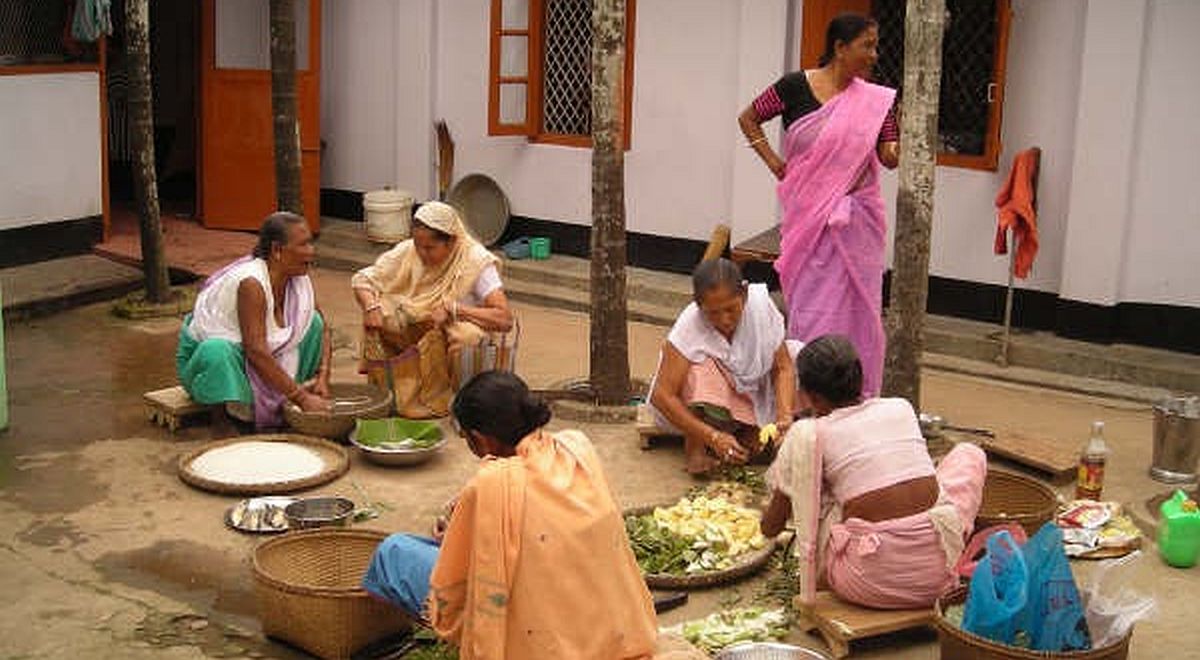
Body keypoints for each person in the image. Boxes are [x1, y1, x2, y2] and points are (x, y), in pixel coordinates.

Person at [362, 371, 660, 659]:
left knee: (393, 552)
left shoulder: (491, 483)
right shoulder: (577, 447)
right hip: (611, 634)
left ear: (481, 439)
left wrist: (453, 533)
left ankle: (381, 640)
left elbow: (459, 578)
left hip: (535, 639)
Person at [738, 13, 899, 397]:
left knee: (860, 310)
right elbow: (749, 118)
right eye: (867, 45)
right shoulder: (794, 87)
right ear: (840, 48)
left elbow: (889, 156)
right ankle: (807, 395)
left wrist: (896, 136)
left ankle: (855, 396)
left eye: (875, 46)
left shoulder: (875, 102)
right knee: (810, 310)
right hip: (808, 222)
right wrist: (775, 164)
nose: (874, 55)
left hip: (857, 224)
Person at [760, 336, 986, 609]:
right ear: (860, 378)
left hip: (864, 583)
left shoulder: (807, 435)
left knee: (821, 495)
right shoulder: (900, 407)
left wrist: (783, 485)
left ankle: (833, 571)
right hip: (938, 574)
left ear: (810, 396)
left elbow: (771, 528)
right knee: (969, 454)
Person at [351, 202, 514, 419]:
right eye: (418, 245)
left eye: (429, 248)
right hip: (419, 325)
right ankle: (396, 388)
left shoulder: (475, 261)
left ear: (452, 241)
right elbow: (363, 279)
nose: (421, 253)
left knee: (467, 336)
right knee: (384, 312)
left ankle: (463, 402)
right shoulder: (409, 250)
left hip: (452, 329)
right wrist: (371, 307)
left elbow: (504, 319)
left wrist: (455, 309)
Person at [176, 212, 332, 434]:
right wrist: (301, 398)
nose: (311, 251)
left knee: (313, 323)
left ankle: (286, 398)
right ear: (277, 250)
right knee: (217, 350)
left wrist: (323, 376)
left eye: (311, 243)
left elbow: (324, 329)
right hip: (205, 365)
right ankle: (222, 417)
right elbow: (255, 351)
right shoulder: (252, 283)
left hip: (257, 359)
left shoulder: (298, 278)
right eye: (304, 244)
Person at [648, 259, 799, 475]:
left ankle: (749, 431)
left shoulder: (760, 307)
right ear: (698, 305)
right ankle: (695, 448)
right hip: (709, 409)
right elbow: (662, 395)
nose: (724, 320)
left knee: (797, 354)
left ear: (744, 294)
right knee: (699, 371)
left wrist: (784, 416)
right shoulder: (690, 324)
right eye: (713, 313)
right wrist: (712, 436)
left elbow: (783, 368)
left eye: (731, 309)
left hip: (751, 394)